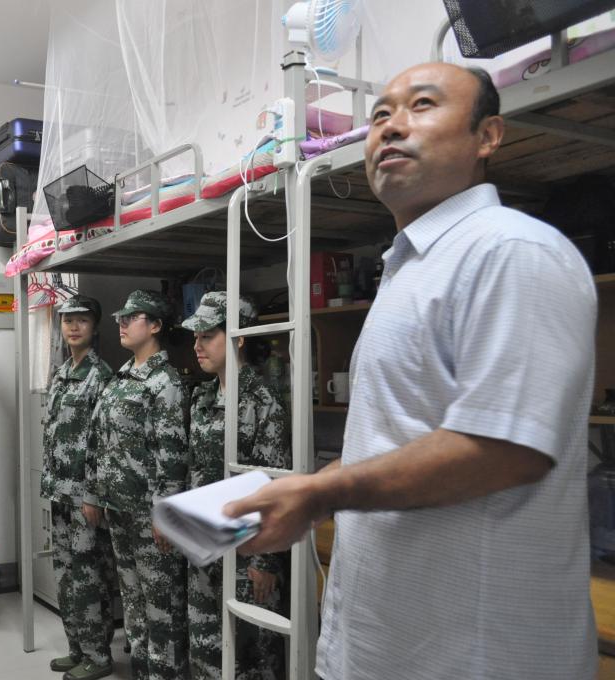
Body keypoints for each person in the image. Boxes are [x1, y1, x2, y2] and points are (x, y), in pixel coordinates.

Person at [224, 63, 597, 680]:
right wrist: (313, 490)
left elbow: (507, 449)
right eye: (379, 115)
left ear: (488, 135)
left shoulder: (510, 250)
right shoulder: (414, 267)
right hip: (388, 645)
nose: (392, 126)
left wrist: (322, 493)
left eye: (422, 105)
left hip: (474, 657)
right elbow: (397, 436)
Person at [181, 292, 290, 680]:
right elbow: (195, 472)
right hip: (206, 543)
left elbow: (273, 485)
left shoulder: (263, 401)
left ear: (238, 339)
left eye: (207, 336)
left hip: (248, 551)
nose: (197, 346)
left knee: (251, 658)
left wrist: (266, 561)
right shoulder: (203, 397)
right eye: (196, 337)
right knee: (206, 650)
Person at [84, 289, 190, 680]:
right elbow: (101, 439)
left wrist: (164, 512)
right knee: (133, 605)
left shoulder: (165, 382)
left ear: (156, 325)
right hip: (120, 509)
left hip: (149, 516)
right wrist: (95, 493)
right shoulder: (122, 376)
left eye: (132, 317)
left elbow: (172, 454)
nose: (122, 324)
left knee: (162, 608)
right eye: (121, 318)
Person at [41, 295, 119, 680]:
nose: (73, 327)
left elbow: (103, 442)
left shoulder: (100, 376)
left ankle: (98, 655)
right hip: (60, 492)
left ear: (95, 326)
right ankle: (77, 648)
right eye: (67, 320)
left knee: (89, 576)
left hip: (84, 495)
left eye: (82, 320)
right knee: (66, 575)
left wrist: (94, 494)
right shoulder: (61, 374)